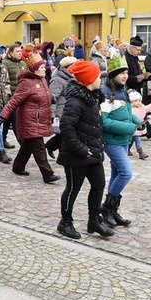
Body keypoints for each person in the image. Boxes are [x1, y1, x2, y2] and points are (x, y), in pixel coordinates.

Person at [55, 61, 114, 240]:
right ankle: (65, 222)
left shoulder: (94, 97)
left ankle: (94, 221)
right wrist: (81, 149)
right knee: (73, 188)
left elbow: (95, 125)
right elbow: (66, 128)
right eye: (97, 77)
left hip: (93, 152)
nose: (100, 79)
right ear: (88, 80)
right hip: (76, 155)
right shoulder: (75, 102)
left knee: (98, 185)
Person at [0, 53, 61, 184]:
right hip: (30, 120)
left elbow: (44, 95)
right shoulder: (26, 83)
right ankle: (48, 174)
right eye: (43, 67)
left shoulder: (42, 79)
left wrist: (52, 99)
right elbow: (14, 101)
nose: (45, 69)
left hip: (39, 119)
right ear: (35, 69)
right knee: (39, 147)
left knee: (28, 146)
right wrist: (3, 116)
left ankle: (18, 167)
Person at [100, 56, 142, 226]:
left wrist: (137, 121)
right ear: (112, 75)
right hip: (112, 141)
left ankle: (112, 211)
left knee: (117, 173)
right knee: (126, 173)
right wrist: (129, 128)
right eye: (121, 73)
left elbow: (125, 113)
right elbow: (104, 121)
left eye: (126, 73)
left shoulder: (123, 91)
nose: (125, 76)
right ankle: (106, 208)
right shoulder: (106, 93)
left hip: (123, 139)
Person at [45, 56, 77, 158]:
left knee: (64, 134)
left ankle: (51, 145)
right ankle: (57, 150)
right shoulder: (57, 80)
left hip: (70, 111)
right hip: (61, 112)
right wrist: (53, 116)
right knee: (65, 134)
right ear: (67, 67)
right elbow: (52, 99)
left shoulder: (72, 78)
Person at [1, 44, 26, 149]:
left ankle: (2, 139)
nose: (20, 53)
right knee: (15, 120)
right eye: (17, 51)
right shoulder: (4, 64)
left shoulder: (23, 63)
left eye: (20, 51)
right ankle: (22, 143)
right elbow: (4, 81)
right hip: (12, 97)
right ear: (10, 53)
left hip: (22, 96)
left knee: (7, 120)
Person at [127, 91, 151, 160]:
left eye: (139, 100)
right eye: (136, 101)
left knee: (135, 139)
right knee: (133, 139)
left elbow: (149, 107)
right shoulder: (129, 109)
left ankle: (134, 151)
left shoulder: (142, 107)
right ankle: (136, 151)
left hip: (139, 128)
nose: (138, 102)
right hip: (133, 128)